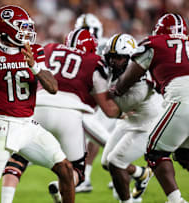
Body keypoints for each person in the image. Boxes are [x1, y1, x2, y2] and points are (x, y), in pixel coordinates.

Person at [0, 5, 76, 203]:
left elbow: (52, 87)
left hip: (28, 125)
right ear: (7, 29)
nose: (27, 31)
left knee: (65, 169)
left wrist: (34, 66)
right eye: (21, 27)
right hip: (3, 127)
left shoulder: (33, 51)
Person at [0, 28, 122, 203]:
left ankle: (6, 201)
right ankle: (60, 187)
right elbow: (109, 110)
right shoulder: (94, 61)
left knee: (18, 158)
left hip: (37, 108)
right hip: (69, 114)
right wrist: (125, 109)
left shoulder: (49, 49)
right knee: (76, 171)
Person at [113, 13, 189, 203]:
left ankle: (176, 201)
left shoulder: (154, 43)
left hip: (182, 95)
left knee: (155, 151)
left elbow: (126, 82)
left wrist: (113, 90)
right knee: (184, 154)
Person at [100, 33, 158, 203]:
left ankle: (127, 201)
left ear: (130, 58)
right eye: (110, 57)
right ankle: (142, 174)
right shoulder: (113, 71)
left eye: (118, 58)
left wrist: (98, 93)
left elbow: (112, 107)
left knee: (115, 162)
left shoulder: (140, 79)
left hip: (147, 125)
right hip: (129, 120)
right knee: (105, 162)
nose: (112, 62)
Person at [74, 13, 117, 192]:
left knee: (102, 139)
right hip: (103, 96)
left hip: (106, 95)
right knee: (96, 138)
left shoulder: (105, 44)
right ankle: (89, 177)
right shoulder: (106, 43)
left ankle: (128, 173)